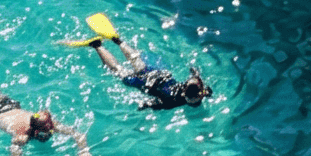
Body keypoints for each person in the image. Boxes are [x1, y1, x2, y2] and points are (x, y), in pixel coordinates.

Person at [80, 27, 212, 108]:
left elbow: (195, 76)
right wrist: (143, 106)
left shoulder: (197, 87)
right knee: (118, 70)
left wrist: (194, 72)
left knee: (136, 60)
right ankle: (97, 45)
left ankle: (117, 41)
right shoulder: (172, 102)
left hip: (159, 75)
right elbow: (151, 104)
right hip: (145, 83)